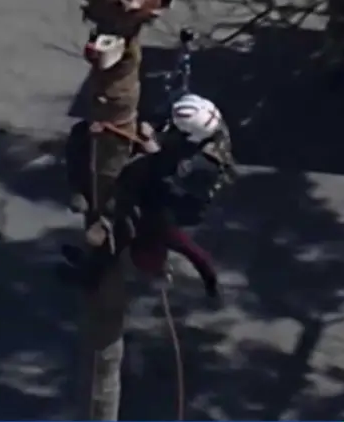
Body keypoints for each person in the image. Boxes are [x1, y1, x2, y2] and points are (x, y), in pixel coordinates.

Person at [58, 93, 235, 301]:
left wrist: (152, 146)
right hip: (174, 181)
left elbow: (164, 171)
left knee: (128, 227)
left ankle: (91, 273)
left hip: (178, 201)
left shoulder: (201, 164)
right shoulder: (204, 127)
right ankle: (93, 260)